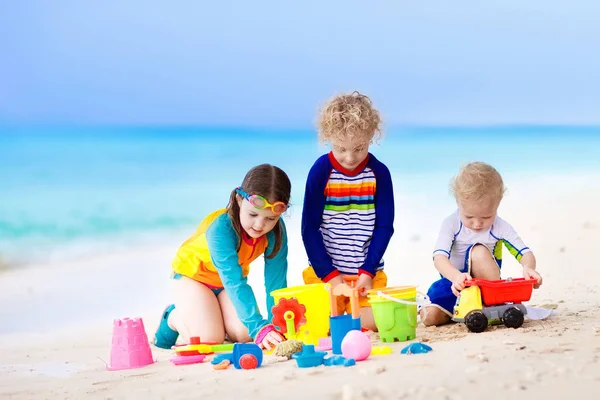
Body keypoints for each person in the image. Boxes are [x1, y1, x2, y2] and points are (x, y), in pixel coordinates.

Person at [153, 164, 291, 350]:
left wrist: (277, 326)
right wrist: (259, 327)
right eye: (253, 214)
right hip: (193, 277)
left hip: (224, 285)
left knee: (245, 334)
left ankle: (212, 316)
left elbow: (276, 283)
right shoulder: (221, 230)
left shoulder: (276, 232)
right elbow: (234, 282)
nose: (260, 225)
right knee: (209, 338)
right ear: (239, 199)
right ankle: (173, 316)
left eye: (270, 219)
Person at [301, 91, 395, 331]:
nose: (350, 157)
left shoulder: (379, 173)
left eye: (359, 148)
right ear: (328, 138)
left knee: (371, 323)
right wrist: (329, 275)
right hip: (326, 275)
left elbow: (384, 227)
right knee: (318, 324)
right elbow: (309, 229)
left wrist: (368, 271)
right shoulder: (321, 171)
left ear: (371, 136)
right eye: (341, 148)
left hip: (366, 274)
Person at [421, 161, 543, 326]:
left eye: (486, 217)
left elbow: (524, 253)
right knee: (429, 317)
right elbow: (439, 258)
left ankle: (488, 306)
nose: (477, 224)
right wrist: (456, 276)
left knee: (478, 251)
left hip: (487, 288)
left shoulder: (500, 226)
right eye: (469, 217)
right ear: (458, 203)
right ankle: (459, 309)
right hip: (456, 285)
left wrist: (528, 267)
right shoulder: (451, 224)